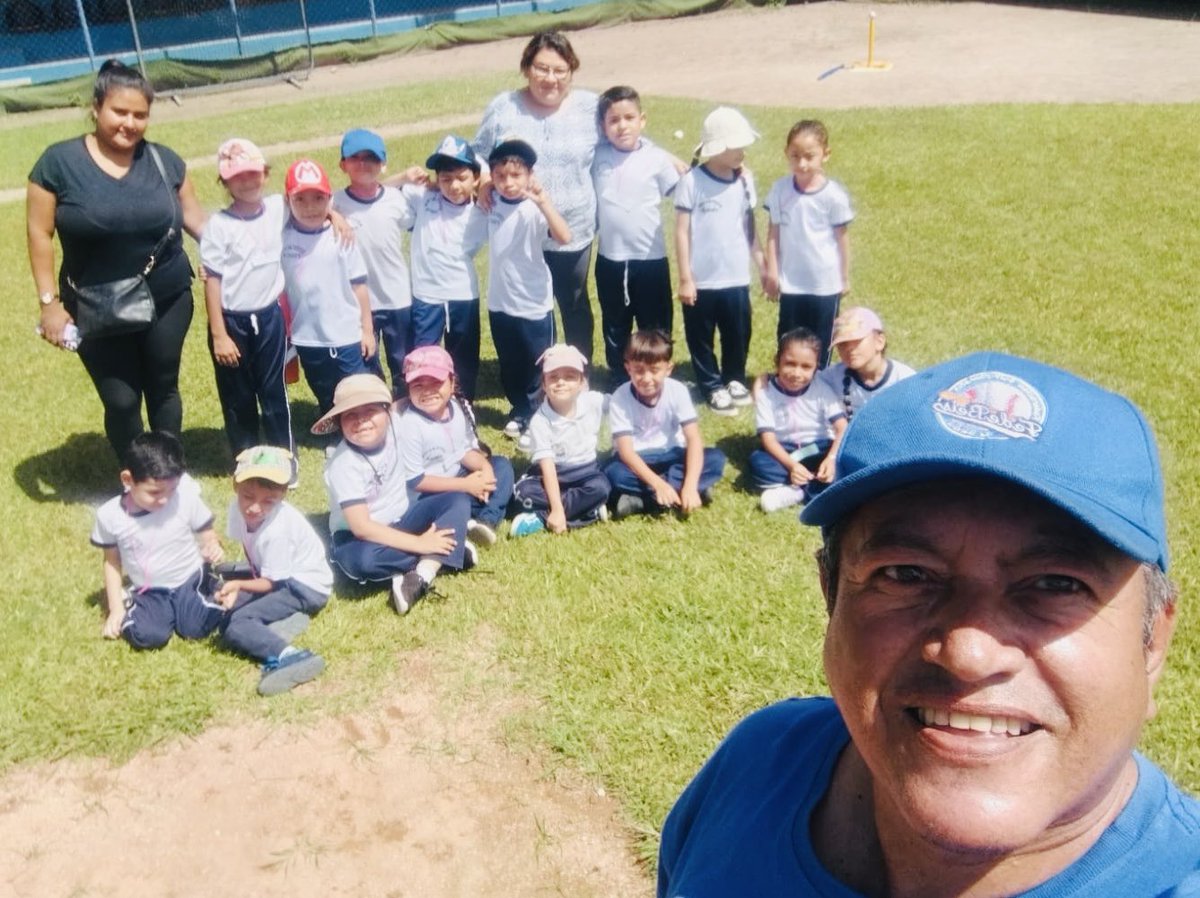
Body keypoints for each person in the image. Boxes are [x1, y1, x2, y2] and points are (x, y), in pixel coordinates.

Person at [658, 351, 1200, 898]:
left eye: (1056, 583)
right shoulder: (759, 762)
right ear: (832, 598)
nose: (968, 652)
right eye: (906, 573)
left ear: (1153, 640)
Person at [28, 60, 207, 462]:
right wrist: (49, 304)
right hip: (95, 303)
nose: (129, 123)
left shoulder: (165, 161)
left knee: (164, 386)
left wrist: (253, 240)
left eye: (140, 115)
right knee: (121, 399)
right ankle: (136, 476)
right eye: (119, 112)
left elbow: (196, 220)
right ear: (96, 108)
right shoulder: (57, 164)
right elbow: (40, 234)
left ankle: (167, 473)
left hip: (167, 298)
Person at [473, 31, 601, 363]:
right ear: (527, 68)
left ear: (572, 71)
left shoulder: (591, 107)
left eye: (560, 70)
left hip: (571, 227)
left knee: (572, 301)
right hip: (519, 231)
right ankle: (537, 372)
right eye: (542, 68)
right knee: (528, 305)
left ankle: (577, 371)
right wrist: (485, 178)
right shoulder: (504, 107)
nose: (550, 78)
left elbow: (622, 138)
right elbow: (478, 153)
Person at [316, 374, 470, 615]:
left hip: (403, 518)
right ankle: (446, 549)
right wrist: (419, 542)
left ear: (387, 412)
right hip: (359, 538)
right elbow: (362, 527)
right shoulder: (343, 464)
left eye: (370, 411)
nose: (362, 421)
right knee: (362, 562)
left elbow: (406, 401)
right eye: (350, 415)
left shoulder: (398, 425)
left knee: (456, 499)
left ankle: (423, 573)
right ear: (339, 422)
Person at [199, 138, 294, 465]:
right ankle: (247, 459)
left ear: (265, 174)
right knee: (238, 395)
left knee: (273, 390)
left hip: (269, 316)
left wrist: (335, 218)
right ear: (224, 181)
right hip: (231, 320)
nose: (247, 182)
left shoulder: (279, 208)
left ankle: (283, 456)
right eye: (237, 177)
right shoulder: (219, 225)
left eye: (253, 173)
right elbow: (212, 280)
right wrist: (219, 334)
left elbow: (321, 202)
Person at [89, 431, 224, 648]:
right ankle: (131, 602)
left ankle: (214, 588)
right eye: (154, 492)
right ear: (128, 480)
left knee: (196, 628)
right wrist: (115, 609)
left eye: (172, 490)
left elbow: (206, 530)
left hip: (188, 578)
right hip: (149, 589)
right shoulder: (110, 516)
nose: (164, 499)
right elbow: (112, 562)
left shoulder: (184, 498)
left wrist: (212, 544)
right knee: (148, 636)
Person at [215, 445, 331, 696]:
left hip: (304, 587)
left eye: (269, 500)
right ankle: (280, 621)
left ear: (284, 494)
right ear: (235, 485)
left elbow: (270, 582)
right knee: (223, 612)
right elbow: (248, 546)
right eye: (248, 496)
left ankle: (291, 656)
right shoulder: (237, 509)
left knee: (236, 624)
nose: (255, 507)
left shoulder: (279, 530)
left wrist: (239, 585)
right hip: (277, 574)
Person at [675, 106, 764, 417]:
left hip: (736, 276)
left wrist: (762, 264)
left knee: (738, 332)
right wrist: (686, 276)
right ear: (716, 148)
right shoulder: (692, 182)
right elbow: (682, 232)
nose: (742, 152)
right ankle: (711, 383)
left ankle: (735, 378)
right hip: (702, 278)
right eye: (735, 146)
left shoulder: (744, 182)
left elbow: (749, 227)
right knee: (700, 335)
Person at [484, 138, 572, 447]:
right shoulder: (490, 202)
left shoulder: (536, 207)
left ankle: (540, 414)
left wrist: (544, 203)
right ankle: (521, 409)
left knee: (538, 365)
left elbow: (564, 236)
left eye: (516, 175)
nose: (508, 183)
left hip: (534, 303)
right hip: (500, 302)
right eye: (500, 176)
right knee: (510, 362)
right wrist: (483, 186)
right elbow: (472, 186)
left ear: (530, 175)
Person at [592, 85, 681, 387]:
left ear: (642, 120)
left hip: (650, 259)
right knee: (615, 323)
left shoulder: (656, 158)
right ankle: (620, 378)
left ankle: (658, 374)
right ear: (603, 127)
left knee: (655, 324)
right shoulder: (597, 156)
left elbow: (682, 193)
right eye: (613, 120)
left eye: (629, 117)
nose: (622, 126)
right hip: (610, 260)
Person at [280, 158, 377, 417]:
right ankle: (336, 433)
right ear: (287, 200)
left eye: (318, 199)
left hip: (346, 334)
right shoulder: (282, 235)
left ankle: (365, 429)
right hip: (307, 336)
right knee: (324, 390)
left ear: (330, 198)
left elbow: (359, 286)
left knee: (358, 389)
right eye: (300, 199)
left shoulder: (342, 236)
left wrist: (367, 330)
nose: (310, 207)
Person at [398, 345, 514, 549]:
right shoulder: (410, 425)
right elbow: (416, 481)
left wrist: (484, 469)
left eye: (436, 382)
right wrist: (466, 486)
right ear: (408, 390)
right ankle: (467, 516)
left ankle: (485, 522)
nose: (427, 391)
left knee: (501, 466)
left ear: (452, 383)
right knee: (455, 501)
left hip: (457, 476)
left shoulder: (456, 408)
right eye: (418, 385)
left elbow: (463, 452)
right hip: (428, 493)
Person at [605, 330, 726, 519]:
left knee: (716, 458)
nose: (646, 378)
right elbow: (626, 452)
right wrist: (658, 484)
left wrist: (690, 485)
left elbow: (693, 439)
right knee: (613, 474)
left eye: (654, 370)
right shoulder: (620, 397)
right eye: (638, 370)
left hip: (671, 453)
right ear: (628, 368)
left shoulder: (677, 390)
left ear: (668, 369)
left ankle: (641, 501)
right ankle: (678, 492)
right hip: (638, 459)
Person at [332, 128, 417, 396]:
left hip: (396, 297)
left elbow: (414, 218)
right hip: (357, 299)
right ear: (343, 164)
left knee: (402, 360)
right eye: (355, 158)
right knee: (367, 359)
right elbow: (307, 207)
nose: (363, 164)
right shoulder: (336, 202)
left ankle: (404, 405)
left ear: (383, 164)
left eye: (371, 158)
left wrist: (404, 178)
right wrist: (333, 216)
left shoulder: (396, 200)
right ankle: (377, 403)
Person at [763, 119, 854, 364]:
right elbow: (773, 233)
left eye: (809, 156)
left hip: (824, 283)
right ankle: (788, 383)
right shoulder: (780, 190)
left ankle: (818, 385)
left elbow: (841, 239)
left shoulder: (833, 196)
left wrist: (843, 277)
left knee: (820, 341)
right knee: (788, 338)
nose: (801, 164)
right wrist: (772, 271)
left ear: (825, 155)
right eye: (795, 156)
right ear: (786, 154)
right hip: (791, 282)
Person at [407, 135, 489, 401]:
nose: (454, 185)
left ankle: (463, 405)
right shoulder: (424, 199)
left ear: (475, 177)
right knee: (424, 354)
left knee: (463, 357)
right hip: (426, 295)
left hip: (462, 295)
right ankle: (425, 401)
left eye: (462, 177)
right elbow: (378, 191)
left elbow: (496, 176)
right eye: (445, 178)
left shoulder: (484, 209)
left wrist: (485, 182)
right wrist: (408, 177)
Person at [510, 343, 611, 537]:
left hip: (585, 471)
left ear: (582, 383)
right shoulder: (540, 421)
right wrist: (556, 508)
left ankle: (540, 518)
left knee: (602, 487)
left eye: (570, 377)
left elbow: (621, 403)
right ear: (544, 384)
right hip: (551, 474)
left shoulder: (594, 401)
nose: (561, 382)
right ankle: (586, 511)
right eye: (553, 377)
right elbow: (547, 467)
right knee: (522, 494)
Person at [750, 328, 847, 514]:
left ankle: (798, 490)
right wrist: (793, 466)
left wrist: (831, 459)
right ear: (776, 361)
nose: (796, 373)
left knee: (838, 466)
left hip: (817, 448)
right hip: (785, 451)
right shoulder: (766, 391)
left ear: (816, 367)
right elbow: (768, 439)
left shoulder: (821, 389)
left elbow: (842, 428)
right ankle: (808, 488)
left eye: (806, 367)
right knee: (759, 463)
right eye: (790, 364)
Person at [819, 305, 916, 422]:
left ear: (879, 341)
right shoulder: (831, 378)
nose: (849, 349)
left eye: (857, 341)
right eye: (842, 344)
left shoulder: (906, 381)